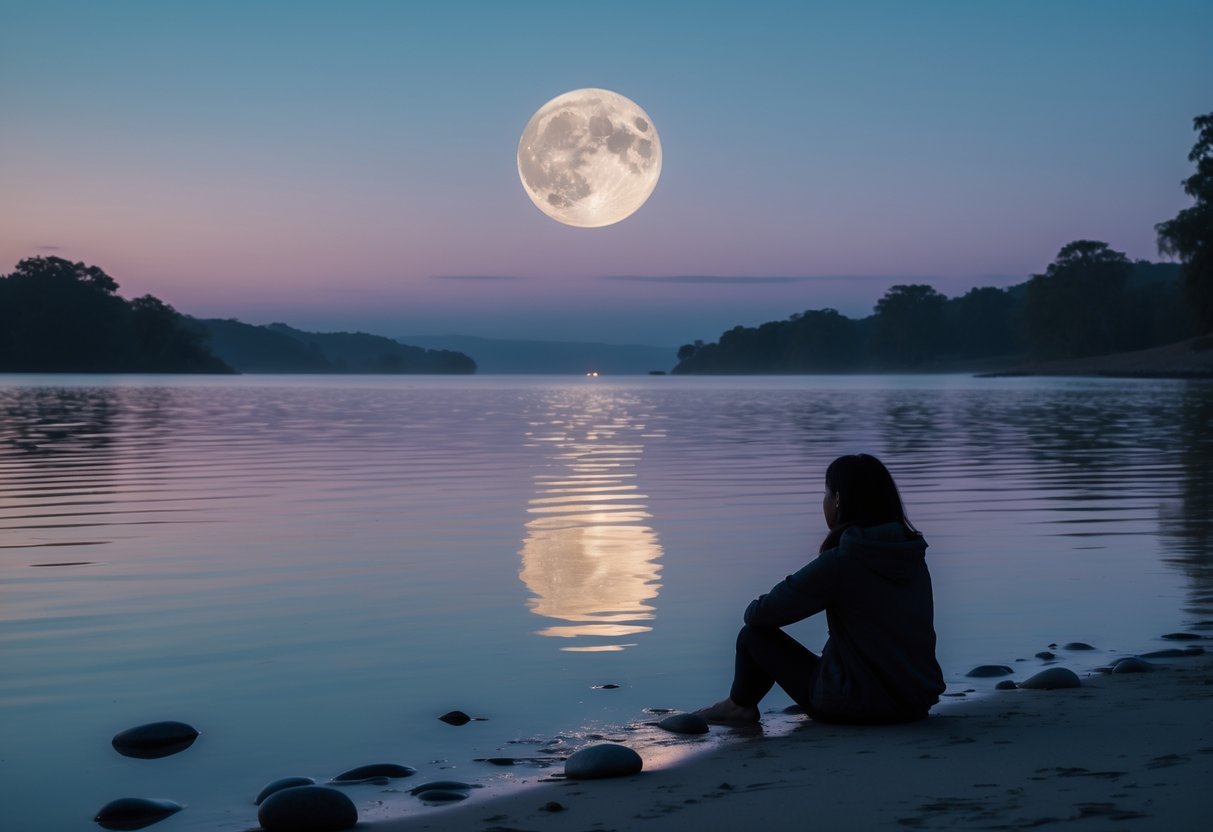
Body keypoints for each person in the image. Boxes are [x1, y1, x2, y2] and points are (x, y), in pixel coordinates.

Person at [696, 453, 945, 725]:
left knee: (753, 636)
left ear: (838, 500)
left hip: (857, 705)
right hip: (916, 702)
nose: (824, 501)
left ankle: (738, 706)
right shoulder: (911, 554)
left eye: (827, 493)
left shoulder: (843, 561)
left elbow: (758, 614)